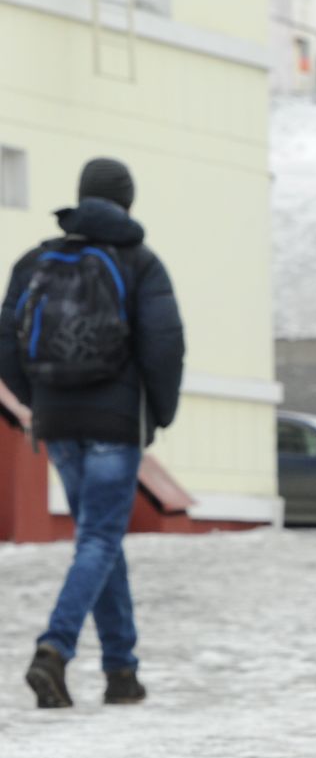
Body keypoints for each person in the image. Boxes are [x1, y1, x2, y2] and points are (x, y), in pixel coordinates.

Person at [0, 158, 185, 708]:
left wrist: (38, 401)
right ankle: (52, 651)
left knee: (99, 542)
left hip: (58, 423)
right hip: (115, 424)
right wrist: (161, 415)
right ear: (126, 202)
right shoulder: (140, 263)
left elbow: (7, 341)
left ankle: (121, 671)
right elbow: (164, 346)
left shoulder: (37, 261)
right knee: (100, 539)